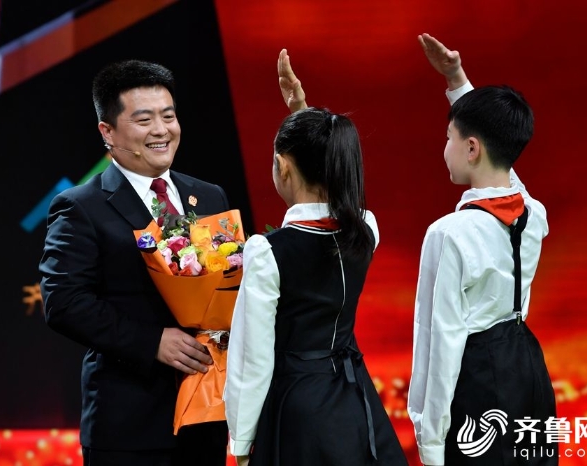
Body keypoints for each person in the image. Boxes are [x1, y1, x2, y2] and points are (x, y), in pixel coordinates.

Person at [39, 59, 230, 466]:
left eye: (168, 116)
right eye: (144, 120)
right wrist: (151, 341)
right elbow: (64, 301)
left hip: (207, 416)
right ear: (107, 132)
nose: (161, 130)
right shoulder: (81, 206)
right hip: (129, 424)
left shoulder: (210, 196)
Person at [223, 51, 407, 466]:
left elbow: (252, 360)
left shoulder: (268, 251)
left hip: (297, 408)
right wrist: (302, 114)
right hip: (354, 397)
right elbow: (330, 180)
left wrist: (241, 442)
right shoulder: (366, 229)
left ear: (282, 167)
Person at [407, 34, 556, 465]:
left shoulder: (448, 234)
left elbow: (439, 341)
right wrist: (457, 80)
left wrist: (430, 443)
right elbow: (503, 165)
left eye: (449, 137)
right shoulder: (533, 212)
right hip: (529, 367)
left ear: (471, 148)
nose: (445, 147)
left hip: (478, 381)